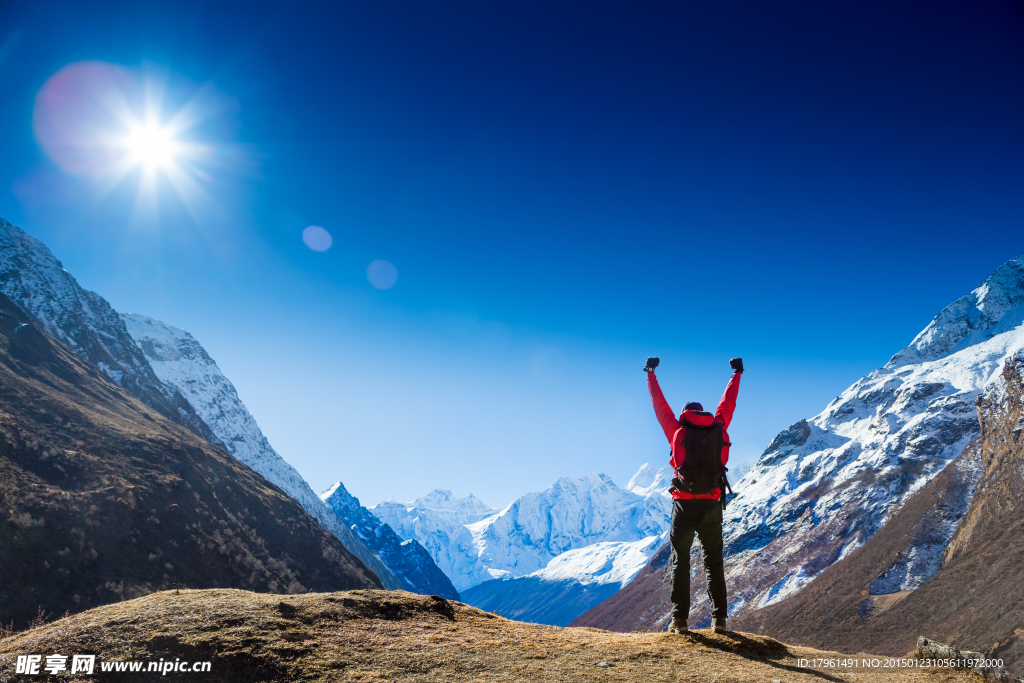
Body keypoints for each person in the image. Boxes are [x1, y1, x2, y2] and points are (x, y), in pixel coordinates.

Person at [644, 356, 743, 634]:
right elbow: (728, 403)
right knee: (713, 561)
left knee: (681, 561)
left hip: (684, 506)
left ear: (686, 414)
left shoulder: (677, 429)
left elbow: (659, 404)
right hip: (712, 504)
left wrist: (650, 373)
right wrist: (737, 373)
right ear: (704, 414)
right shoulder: (718, 427)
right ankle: (719, 620)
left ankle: (679, 622)